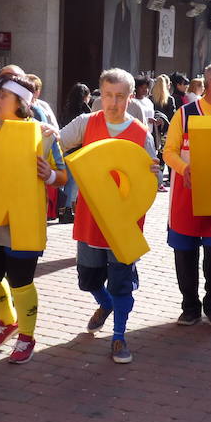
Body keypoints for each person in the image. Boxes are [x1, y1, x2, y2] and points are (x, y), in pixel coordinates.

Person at [60, 68, 159, 364]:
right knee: (88, 280)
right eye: (107, 95)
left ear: (130, 98)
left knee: (121, 284)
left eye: (119, 96)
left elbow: (153, 178)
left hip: (124, 224)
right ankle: (105, 304)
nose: (113, 103)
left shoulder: (141, 134)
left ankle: (119, 336)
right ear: (100, 95)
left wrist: (154, 172)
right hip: (91, 218)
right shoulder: (86, 123)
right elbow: (56, 144)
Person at [0, 74, 66, 364]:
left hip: (23, 221)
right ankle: (7, 321)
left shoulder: (44, 134)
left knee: (20, 281)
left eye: (3, 96)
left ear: (20, 103)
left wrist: (49, 174)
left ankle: (26, 336)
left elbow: (63, 175)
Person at [164, 61, 211, 327]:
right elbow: (169, 151)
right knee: (185, 256)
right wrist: (184, 168)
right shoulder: (185, 114)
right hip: (184, 197)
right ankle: (190, 307)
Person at [57, 83, 91, 224]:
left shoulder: (66, 108)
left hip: (64, 149)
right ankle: (67, 210)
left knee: (63, 181)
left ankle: (59, 209)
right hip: (76, 152)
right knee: (72, 182)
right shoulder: (83, 112)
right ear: (85, 97)